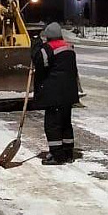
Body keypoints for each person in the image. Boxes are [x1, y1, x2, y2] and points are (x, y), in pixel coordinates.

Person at [31, 22, 80, 165]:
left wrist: (36, 45)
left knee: (52, 124)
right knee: (65, 123)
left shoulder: (49, 48)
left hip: (55, 94)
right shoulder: (69, 47)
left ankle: (57, 155)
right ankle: (68, 153)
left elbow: (39, 61)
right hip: (69, 93)